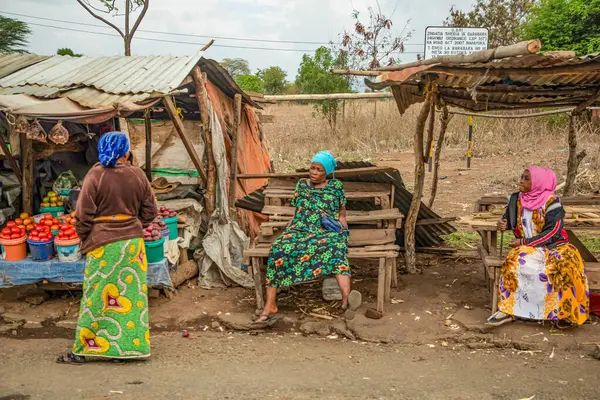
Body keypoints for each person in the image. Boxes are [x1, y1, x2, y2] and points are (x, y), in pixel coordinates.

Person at [57, 132, 158, 364]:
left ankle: (84, 350)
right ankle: (127, 350)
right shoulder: (138, 174)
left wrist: (86, 237)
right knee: (130, 297)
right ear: (126, 152)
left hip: (102, 245)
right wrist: (132, 225)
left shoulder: (95, 175)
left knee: (96, 297)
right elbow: (151, 212)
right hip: (132, 245)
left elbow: (82, 216)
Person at [257, 151, 361, 323]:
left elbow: (342, 213)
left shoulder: (336, 187)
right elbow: (296, 211)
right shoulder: (301, 185)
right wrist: (288, 230)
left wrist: (343, 230)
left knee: (335, 248)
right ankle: (270, 305)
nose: (313, 172)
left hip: (325, 230)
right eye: (312, 168)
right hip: (301, 228)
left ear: (326, 172)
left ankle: (346, 299)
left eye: (319, 169)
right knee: (278, 249)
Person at [487, 167, 590, 327]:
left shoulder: (552, 203)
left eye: (527, 178)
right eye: (522, 177)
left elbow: (553, 232)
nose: (521, 180)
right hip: (529, 248)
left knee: (565, 266)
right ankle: (509, 310)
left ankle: (564, 314)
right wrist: (504, 223)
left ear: (538, 183)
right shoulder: (515, 199)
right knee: (514, 262)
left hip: (556, 246)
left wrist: (524, 242)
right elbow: (509, 219)